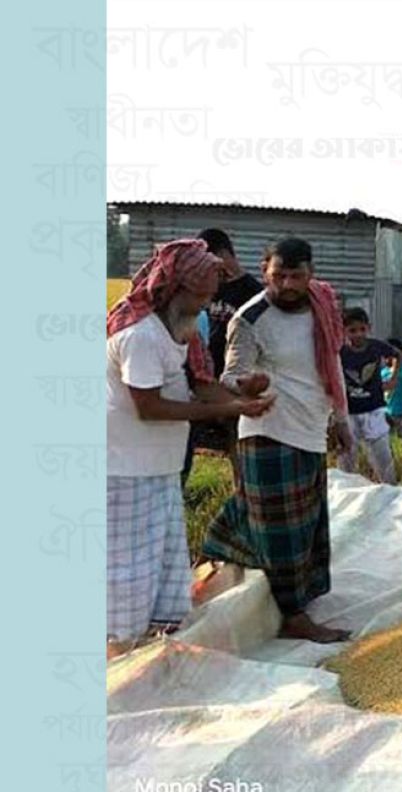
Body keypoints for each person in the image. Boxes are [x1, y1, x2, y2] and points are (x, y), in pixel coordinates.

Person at [106, 239, 274, 659]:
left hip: (157, 468)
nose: (206, 302)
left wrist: (239, 394)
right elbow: (148, 406)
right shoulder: (141, 336)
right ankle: (117, 655)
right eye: (200, 296)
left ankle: (148, 647)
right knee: (129, 572)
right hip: (125, 470)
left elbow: (201, 385)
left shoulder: (181, 332)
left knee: (162, 564)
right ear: (174, 289)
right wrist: (229, 407)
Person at [201, 236, 354, 644]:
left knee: (304, 524)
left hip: (309, 428)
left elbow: (332, 362)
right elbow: (229, 375)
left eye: (296, 275)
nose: (286, 284)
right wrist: (246, 384)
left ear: (311, 274)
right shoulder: (250, 318)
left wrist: (340, 418)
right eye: (278, 275)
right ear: (264, 269)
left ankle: (227, 557)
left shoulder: (322, 305)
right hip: (267, 431)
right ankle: (292, 616)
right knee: (279, 531)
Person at [183, 228, 264, 485]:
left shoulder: (252, 291)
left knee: (236, 440)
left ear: (225, 254)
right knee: (188, 437)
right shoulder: (208, 287)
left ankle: (241, 494)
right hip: (201, 375)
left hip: (234, 377)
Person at [336, 307, 398, 484]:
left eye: (362, 329)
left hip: (374, 409)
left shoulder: (376, 347)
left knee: (382, 455)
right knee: (346, 456)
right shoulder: (340, 352)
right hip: (349, 411)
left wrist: (393, 378)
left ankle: (390, 492)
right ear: (344, 331)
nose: (358, 334)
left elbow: (397, 355)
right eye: (352, 330)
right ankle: (344, 493)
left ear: (368, 328)